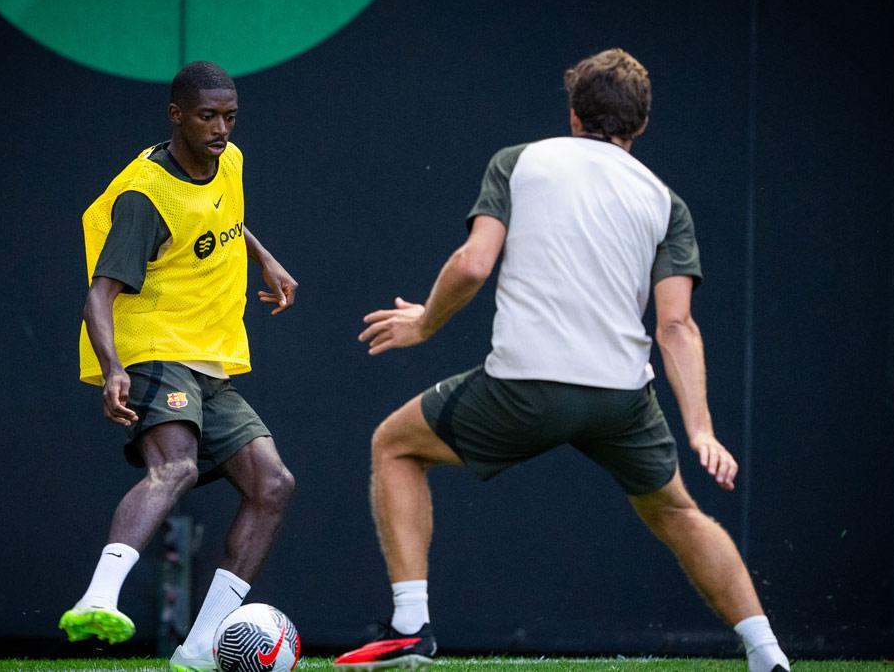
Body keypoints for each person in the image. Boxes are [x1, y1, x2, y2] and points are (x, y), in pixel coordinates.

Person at [335, 49, 791, 672]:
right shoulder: (665, 201)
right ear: (641, 126)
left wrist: (423, 323)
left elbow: (472, 264)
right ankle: (769, 656)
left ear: (573, 114)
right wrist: (701, 429)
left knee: (394, 445)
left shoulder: (521, 161)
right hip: (622, 402)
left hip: (523, 389)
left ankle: (411, 627)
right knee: (680, 512)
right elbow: (676, 326)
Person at [58, 61, 298, 672]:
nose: (221, 128)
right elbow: (99, 294)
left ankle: (199, 649)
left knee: (273, 486)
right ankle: (98, 598)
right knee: (177, 468)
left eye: (230, 116)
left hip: (209, 355)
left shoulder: (231, 160)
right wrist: (113, 368)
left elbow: (221, 219)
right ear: (176, 116)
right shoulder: (145, 196)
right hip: (151, 345)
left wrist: (265, 257)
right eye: (207, 116)